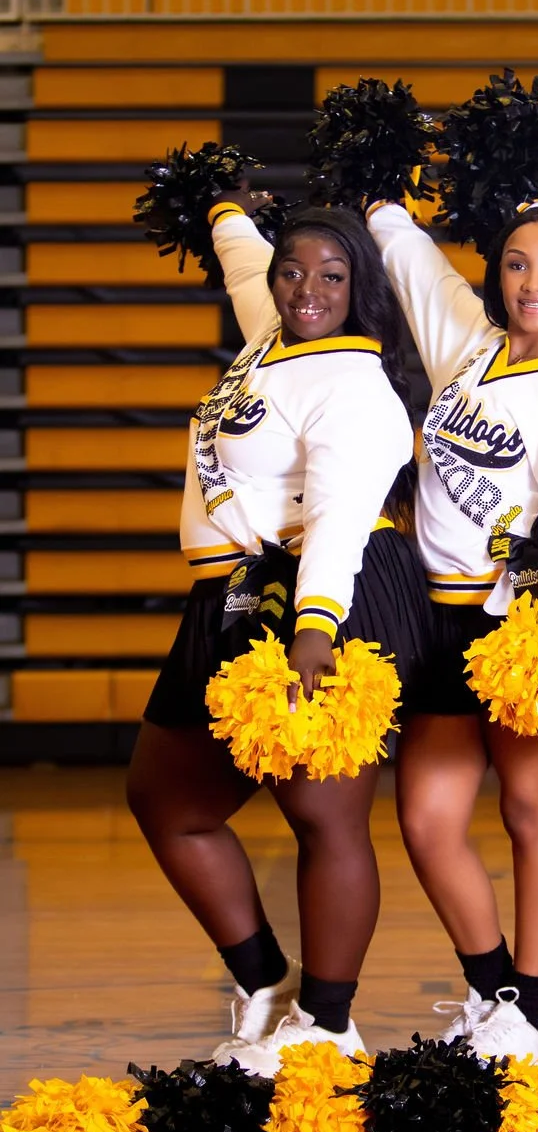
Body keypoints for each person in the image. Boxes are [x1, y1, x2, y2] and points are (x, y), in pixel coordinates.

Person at [127, 195, 429, 1074]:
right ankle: (269, 986)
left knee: (321, 814)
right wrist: (220, 203)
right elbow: (241, 262)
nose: (305, 290)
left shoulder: (353, 382)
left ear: (358, 288)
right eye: (292, 273)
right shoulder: (272, 337)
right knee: (167, 801)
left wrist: (316, 627)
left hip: (322, 596)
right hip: (228, 597)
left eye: (330, 277)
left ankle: (330, 1025)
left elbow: (338, 518)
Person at [366, 199, 538, 1060]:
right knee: (428, 821)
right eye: (518, 263)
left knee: (531, 813)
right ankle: (491, 989)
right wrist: (382, 205)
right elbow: (413, 264)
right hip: (435, 619)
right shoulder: (470, 349)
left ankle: (528, 1013)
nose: (533, 283)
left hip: (520, 624)